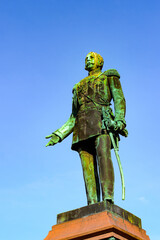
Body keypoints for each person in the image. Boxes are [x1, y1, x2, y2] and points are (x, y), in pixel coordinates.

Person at [46, 52, 127, 205]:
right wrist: (59, 134)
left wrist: (119, 120)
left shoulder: (109, 77)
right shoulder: (78, 86)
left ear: (100, 62)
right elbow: (73, 116)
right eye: (86, 59)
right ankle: (92, 202)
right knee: (87, 168)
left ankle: (108, 198)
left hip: (101, 122)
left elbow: (119, 99)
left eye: (92, 58)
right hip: (81, 127)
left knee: (104, 159)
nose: (88, 60)